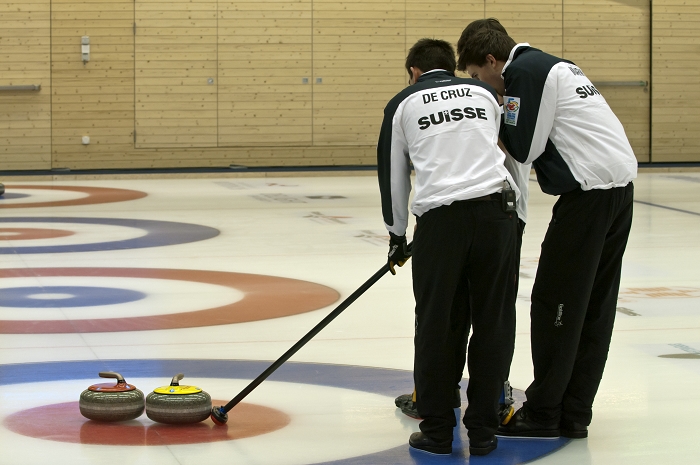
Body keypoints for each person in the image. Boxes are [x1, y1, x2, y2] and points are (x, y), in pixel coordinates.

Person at [456, 25, 637, 439]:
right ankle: (574, 412)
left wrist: (488, 118)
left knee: (555, 303)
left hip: (588, 196)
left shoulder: (524, 72)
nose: (481, 87)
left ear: (491, 62)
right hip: (618, 189)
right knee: (594, 306)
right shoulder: (556, 65)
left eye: (477, 77)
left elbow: (523, 146)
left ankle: (543, 412)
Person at [378, 38, 520, 456]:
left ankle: (439, 432)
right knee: (494, 322)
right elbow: (504, 154)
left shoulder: (403, 103)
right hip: (498, 215)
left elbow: (393, 175)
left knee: (438, 326)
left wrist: (396, 235)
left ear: (415, 73)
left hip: (441, 224)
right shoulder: (483, 93)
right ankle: (484, 430)